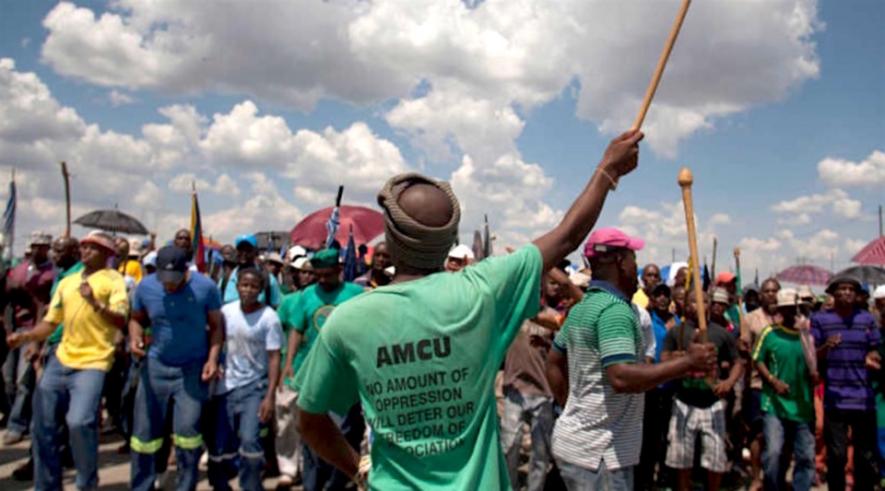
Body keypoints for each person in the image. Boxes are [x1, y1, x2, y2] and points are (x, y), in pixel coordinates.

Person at [292, 129, 652, 489]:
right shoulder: (483, 291)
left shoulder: (350, 318)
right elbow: (568, 235)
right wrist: (608, 170)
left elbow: (309, 419)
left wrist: (357, 467)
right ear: (451, 240)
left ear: (391, 235)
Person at [547, 229, 715, 490]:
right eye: (632, 258)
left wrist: (570, 406)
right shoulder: (615, 311)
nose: (635, 265)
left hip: (578, 446)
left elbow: (554, 361)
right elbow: (621, 377)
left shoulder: (582, 308)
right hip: (600, 454)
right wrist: (688, 363)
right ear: (617, 261)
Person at [7, 232, 128, 490]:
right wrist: (27, 337)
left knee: (80, 421)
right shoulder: (67, 282)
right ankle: (47, 484)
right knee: (42, 426)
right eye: (83, 247)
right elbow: (50, 323)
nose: (85, 252)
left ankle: (86, 482)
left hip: (93, 362)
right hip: (60, 359)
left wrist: (95, 302)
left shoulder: (113, 279)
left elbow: (120, 318)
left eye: (93, 248)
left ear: (107, 254)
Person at [128, 246, 224, 491]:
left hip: (191, 371)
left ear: (186, 271)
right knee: (144, 435)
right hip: (155, 368)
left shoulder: (206, 288)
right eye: (165, 280)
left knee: (188, 433)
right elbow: (136, 319)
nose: (169, 285)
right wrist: (135, 338)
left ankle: (186, 485)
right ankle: (142, 485)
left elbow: (216, 328)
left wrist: (213, 359)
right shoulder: (147, 287)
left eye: (175, 280)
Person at [277, 249, 365, 489]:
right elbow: (296, 329)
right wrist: (288, 363)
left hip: (346, 377)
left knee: (343, 433)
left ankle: (337, 483)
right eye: (319, 276)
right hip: (312, 374)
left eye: (328, 275)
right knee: (312, 434)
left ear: (339, 270)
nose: (323, 281)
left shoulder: (356, 294)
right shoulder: (307, 295)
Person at [500, 269, 579, 491]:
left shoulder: (554, 319)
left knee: (540, 452)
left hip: (543, 393)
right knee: (509, 445)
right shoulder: (512, 314)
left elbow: (564, 353)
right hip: (514, 389)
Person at [10, 236, 81, 481]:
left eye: (59, 249)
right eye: (53, 249)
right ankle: (46, 462)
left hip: (70, 349)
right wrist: (36, 342)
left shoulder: (79, 277)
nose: (54, 254)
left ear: (74, 251)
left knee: (51, 413)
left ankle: (49, 462)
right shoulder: (62, 276)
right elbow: (50, 313)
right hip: (52, 344)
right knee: (48, 412)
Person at [208, 268, 282, 491]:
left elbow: (274, 358)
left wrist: (270, 396)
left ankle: (251, 485)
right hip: (225, 386)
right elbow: (218, 338)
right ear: (237, 286)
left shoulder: (269, 318)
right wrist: (214, 361)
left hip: (254, 388)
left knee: (250, 441)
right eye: (244, 285)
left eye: (253, 287)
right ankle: (220, 485)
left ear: (260, 290)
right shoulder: (226, 312)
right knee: (219, 443)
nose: (248, 291)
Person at [662, 291, 743, 491]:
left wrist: (729, 383)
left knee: (715, 457)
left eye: (705, 301)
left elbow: (738, 362)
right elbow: (663, 359)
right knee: (682, 458)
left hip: (712, 403)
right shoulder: (677, 332)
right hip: (684, 401)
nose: (699, 305)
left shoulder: (720, 333)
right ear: (685, 305)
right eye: (694, 301)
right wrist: (680, 357)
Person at [812, 273, 881, 491]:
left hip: (863, 399)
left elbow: (875, 348)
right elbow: (811, 355)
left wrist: (873, 358)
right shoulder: (820, 320)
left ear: (857, 295)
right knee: (837, 455)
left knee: (864, 455)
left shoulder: (866, 319)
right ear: (833, 294)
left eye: (851, 290)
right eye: (841, 289)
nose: (847, 293)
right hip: (835, 399)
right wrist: (826, 347)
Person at [753, 288, 816, 491]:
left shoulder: (806, 335)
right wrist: (773, 380)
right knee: (773, 453)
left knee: (805, 455)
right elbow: (757, 360)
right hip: (775, 405)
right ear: (779, 310)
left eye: (793, 309)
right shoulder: (769, 333)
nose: (790, 313)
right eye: (785, 309)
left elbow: (813, 362)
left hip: (802, 405)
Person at [2, 232, 56, 445]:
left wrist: (37, 339)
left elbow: (44, 306)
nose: (36, 250)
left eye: (41, 247)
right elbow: (7, 299)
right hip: (14, 329)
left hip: (34, 330)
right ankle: (12, 413)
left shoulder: (51, 273)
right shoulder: (18, 270)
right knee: (8, 379)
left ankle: (17, 424)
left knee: (23, 380)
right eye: (34, 246)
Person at [637, 282, 681, 490]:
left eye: (666, 295)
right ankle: (644, 480)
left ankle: (665, 479)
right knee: (648, 438)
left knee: (669, 438)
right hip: (650, 389)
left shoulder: (678, 323)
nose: (662, 298)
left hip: (672, 388)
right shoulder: (644, 320)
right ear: (651, 299)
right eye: (658, 295)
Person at [739, 277, 780, 490]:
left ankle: (776, 476)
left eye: (775, 291)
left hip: (783, 385)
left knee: (779, 435)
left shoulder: (786, 318)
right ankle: (756, 477)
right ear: (761, 295)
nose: (771, 295)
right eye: (767, 291)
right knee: (757, 433)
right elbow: (744, 349)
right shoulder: (749, 318)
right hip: (757, 384)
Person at [219, 235, 282, 308]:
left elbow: (276, 306)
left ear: (255, 252)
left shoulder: (268, 279)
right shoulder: (226, 279)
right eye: (240, 249)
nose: (244, 253)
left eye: (248, 250)